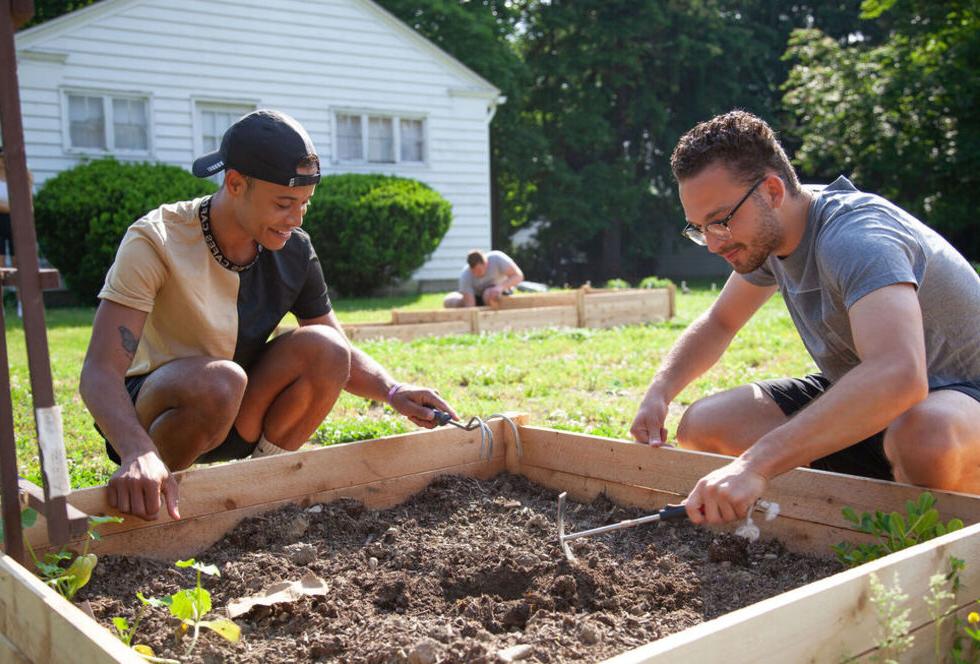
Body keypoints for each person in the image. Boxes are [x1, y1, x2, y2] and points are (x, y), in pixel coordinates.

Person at [80, 110, 457, 522]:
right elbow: (100, 372)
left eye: (304, 205)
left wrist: (391, 390)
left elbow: (338, 353)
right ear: (236, 183)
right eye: (283, 204)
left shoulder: (295, 249)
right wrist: (137, 450)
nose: (295, 219)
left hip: (237, 409)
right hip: (154, 416)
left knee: (326, 348)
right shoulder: (156, 239)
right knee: (221, 381)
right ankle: (155, 490)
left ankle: (260, 492)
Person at [629, 110, 980, 526]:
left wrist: (754, 465)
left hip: (955, 400)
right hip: (876, 404)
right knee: (706, 423)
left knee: (925, 436)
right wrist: (660, 390)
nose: (712, 244)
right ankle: (845, 511)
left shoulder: (856, 238)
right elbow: (720, 323)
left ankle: (944, 521)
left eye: (720, 221)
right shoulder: (767, 234)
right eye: (700, 228)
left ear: (773, 191)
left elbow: (900, 375)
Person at [443, 249, 524, 308]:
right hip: (477, 298)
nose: (477, 274)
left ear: (486, 263)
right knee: (450, 301)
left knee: (489, 293)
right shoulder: (465, 275)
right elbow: (470, 305)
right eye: (474, 271)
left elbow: (518, 276)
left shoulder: (497, 258)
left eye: (479, 270)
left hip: (500, 293)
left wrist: (500, 287)